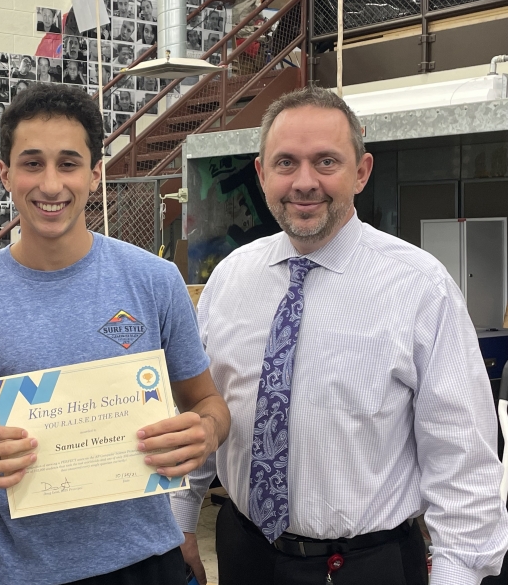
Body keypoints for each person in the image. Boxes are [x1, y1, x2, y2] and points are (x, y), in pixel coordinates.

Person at [171, 86, 508, 585]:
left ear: (362, 172)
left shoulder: (421, 287)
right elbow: (198, 412)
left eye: (326, 162)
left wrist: (458, 573)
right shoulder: (229, 280)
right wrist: (179, 523)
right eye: (286, 163)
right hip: (244, 554)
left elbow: (463, 459)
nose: (305, 183)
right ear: (262, 174)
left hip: (366, 565)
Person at [0, 83, 229, 585]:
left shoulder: (153, 281)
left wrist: (203, 434)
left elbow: (208, 403)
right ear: (5, 174)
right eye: (32, 163)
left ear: (95, 175)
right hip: (13, 573)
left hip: (143, 565)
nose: (51, 185)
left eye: (68, 163)